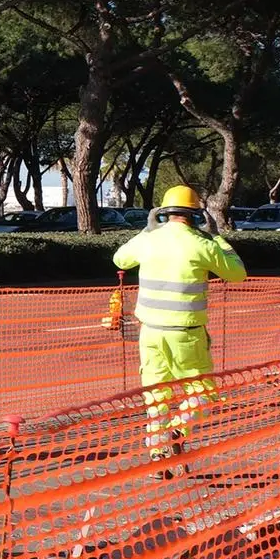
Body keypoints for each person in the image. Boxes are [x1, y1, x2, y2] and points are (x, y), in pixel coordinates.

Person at [111, 185, 247, 460]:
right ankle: (178, 429)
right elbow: (238, 274)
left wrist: (145, 232)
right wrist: (218, 238)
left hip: (149, 333)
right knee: (203, 393)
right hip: (187, 334)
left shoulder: (149, 240)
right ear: (197, 215)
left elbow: (120, 259)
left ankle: (158, 452)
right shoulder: (203, 244)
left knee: (156, 396)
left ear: (162, 213)